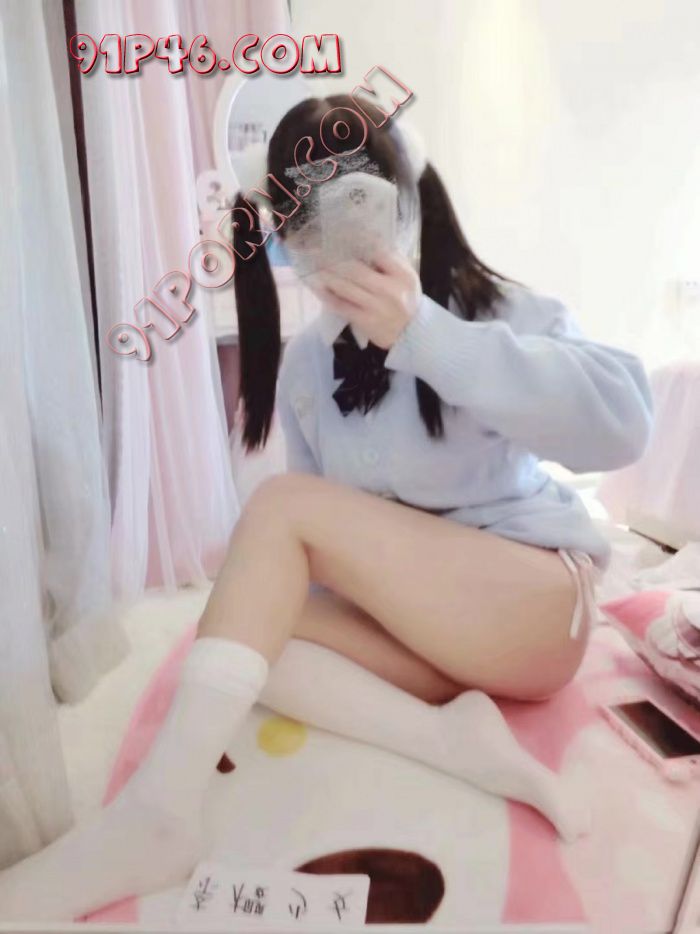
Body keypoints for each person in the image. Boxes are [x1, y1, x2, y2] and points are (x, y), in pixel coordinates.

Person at [0, 95, 653, 921]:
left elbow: (623, 424)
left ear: (401, 204)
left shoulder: (492, 312)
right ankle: (452, 741)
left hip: (538, 611)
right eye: (303, 224)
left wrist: (423, 332)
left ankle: (156, 815)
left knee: (277, 511)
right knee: (249, 632)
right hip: (432, 639)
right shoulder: (312, 365)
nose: (329, 245)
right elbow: (328, 553)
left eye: (354, 208)